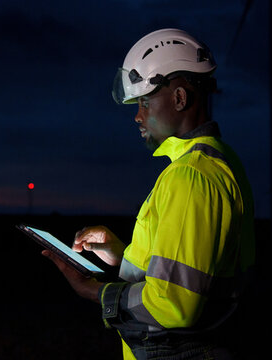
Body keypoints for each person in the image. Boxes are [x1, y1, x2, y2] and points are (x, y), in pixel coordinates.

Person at [42, 28, 256, 359]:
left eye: (144, 101)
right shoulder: (216, 161)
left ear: (180, 98)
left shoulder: (190, 176)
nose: (138, 115)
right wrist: (120, 253)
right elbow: (188, 264)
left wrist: (96, 292)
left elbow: (175, 301)